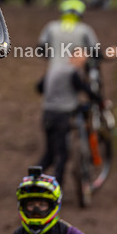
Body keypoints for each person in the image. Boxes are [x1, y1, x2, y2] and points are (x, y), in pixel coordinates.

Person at [36, 49, 103, 187]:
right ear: (72, 57)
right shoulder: (72, 72)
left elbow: (39, 87)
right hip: (61, 117)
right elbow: (86, 89)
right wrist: (100, 100)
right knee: (62, 155)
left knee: (49, 154)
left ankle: (32, 180)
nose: (81, 62)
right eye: (80, 59)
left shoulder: (54, 69)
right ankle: (57, 188)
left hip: (47, 114)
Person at [6, 167, 94, 234]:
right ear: (22, 206)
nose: (36, 211)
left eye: (42, 205)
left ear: (53, 206)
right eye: (31, 205)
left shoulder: (66, 232)